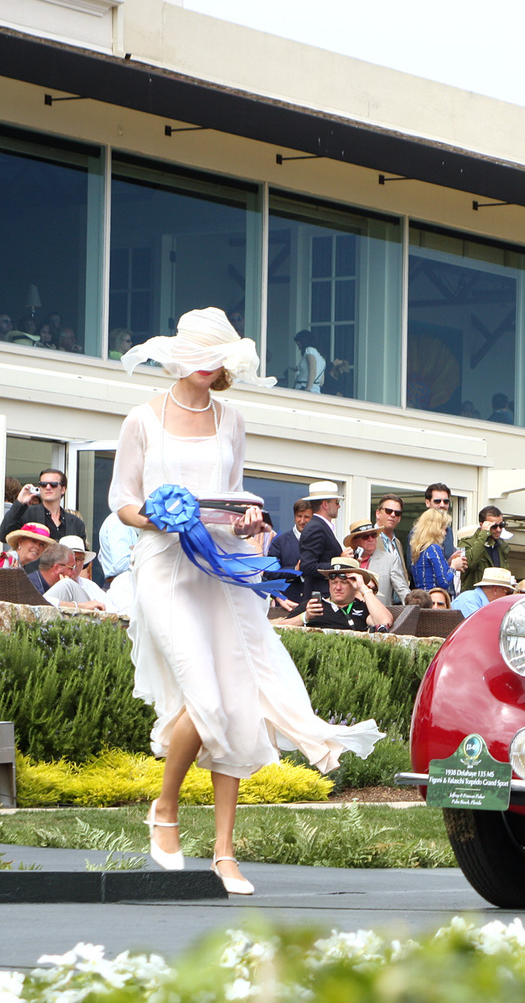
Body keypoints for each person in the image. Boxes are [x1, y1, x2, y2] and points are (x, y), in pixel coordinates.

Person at [110, 306, 381, 896]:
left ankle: (226, 854)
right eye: (201, 355)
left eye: (219, 358)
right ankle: (165, 808)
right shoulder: (142, 418)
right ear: (178, 354)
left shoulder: (231, 419)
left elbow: (234, 499)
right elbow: (122, 501)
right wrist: (157, 515)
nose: (209, 367)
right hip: (162, 567)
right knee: (204, 697)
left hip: (223, 566)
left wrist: (249, 516)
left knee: (236, 702)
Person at [277, 557, 393, 632]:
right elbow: (279, 628)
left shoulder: (362, 608)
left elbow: (384, 621)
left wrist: (363, 588)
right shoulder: (313, 605)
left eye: (344, 582)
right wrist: (305, 617)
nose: (337, 587)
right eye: (333, 582)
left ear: (354, 584)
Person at [0, 468, 89, 545]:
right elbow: (3, 535)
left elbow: (82, 556)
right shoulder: (27, 514)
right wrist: (19, 502)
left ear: (63, 489)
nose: (48, 487)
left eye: (53, 484)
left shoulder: (76, 523)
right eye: (43, 484)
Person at [296, 481, 345, 599]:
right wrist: (340, 563)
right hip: (320, 598)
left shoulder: (319, 526)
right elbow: (307, 566)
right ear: (325, 504)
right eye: (336, 502)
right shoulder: (315, 527)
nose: (339, 506)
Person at [347, 520, 407, 606]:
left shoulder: (390, 560)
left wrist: (412, 610)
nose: (371, 539)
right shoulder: (348, 561)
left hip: (378, 615)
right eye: (365, 537)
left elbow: (403, 591)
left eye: (373, 535)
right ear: (355, 541)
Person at [266, 498, 312, 607]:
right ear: (294, 517)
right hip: (286, 604)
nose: (302, 521)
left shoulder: (320, 541)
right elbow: (268, 573)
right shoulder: (280, 541)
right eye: (299, 516)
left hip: (313, 604)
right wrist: (295, 570)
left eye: (306, 517)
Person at [36, 544, 107, 610]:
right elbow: (39, 604)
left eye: (79, 559)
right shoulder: (34, 583)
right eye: (71, 567)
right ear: (57, 568)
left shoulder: (91, 586)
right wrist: (80, 606)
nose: (74, 570)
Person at [459, 506, 511, 589]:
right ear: (482, 525)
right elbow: (470, 563)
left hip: (496, 595)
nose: (498, 529)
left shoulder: (501, 546)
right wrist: (483, 534)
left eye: (501, 525)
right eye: (494, 526)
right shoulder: (466, 542)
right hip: (474, 597)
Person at [410, 507, 457, 594]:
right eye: (444, 529)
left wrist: (449, 562)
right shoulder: (434, 549)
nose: (445, 533)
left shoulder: (419, 548)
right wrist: (454, 566)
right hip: (434, 599)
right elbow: (444, 582)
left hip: (422, 598)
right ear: (436, 529)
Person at [450, 566, 515, 617]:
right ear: (495, 590)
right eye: (507, 592)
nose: (508, 596)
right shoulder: (468, 601)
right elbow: (479, 628)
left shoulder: (478, 602)